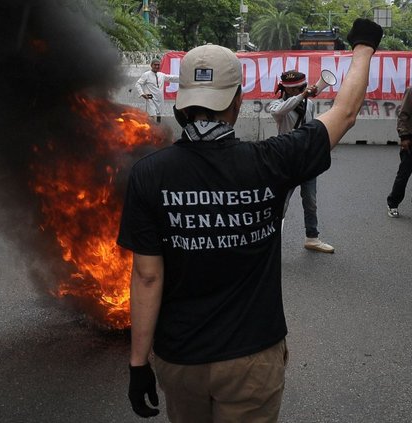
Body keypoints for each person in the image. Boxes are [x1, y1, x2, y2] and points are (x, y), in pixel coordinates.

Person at [118, 18, 382, 423]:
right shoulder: (271, 162)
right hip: (252, 358)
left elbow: (148, 277)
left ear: (180, 102)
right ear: (238, 100)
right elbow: (344, 113)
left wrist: (138, 365)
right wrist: (363, 46)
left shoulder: (149, 174)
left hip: (181, 358)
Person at [270, 70, 335, 253]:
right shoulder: (277, 105)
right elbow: (283, 109)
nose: (299, 91)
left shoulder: (310, 105)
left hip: (306, 159)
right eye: (295, 89)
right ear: (286, 90)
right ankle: (271, 240)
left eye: (301, 88)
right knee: (281, 202)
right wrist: (303, 95)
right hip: (286, 159)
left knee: (311, 200)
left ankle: (312, 237)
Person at [386, 87, 412, 217]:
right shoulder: (411, 90)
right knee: (403, 175)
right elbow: (403, 114)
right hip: (410, 140)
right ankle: (393, 204)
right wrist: (404, 137)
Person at [135, 58, 179, 123]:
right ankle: (151, 130)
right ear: (151, 65)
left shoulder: (161, 75)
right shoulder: (146, 74)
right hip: (151, 99)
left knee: (159, 116)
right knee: (152, 116)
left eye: (158, 65)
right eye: (155, 65)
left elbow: (172, 78)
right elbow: (138, 84)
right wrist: (142, 94)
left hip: (160, 99)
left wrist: (184, 76)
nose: (157, 66)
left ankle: (158, 130)